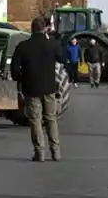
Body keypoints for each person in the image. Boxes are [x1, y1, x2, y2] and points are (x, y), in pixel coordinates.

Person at [10, 17, 66, 162]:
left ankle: (39, 152)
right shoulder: (52, 45)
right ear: (45, 29)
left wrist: (21, 79)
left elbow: (14, 69)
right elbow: (62, 58)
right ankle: (56, 151)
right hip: (49, 87)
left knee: (35, 120)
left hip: (31, 87)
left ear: (32, 28)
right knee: (51, 118)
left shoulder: (23, 46)